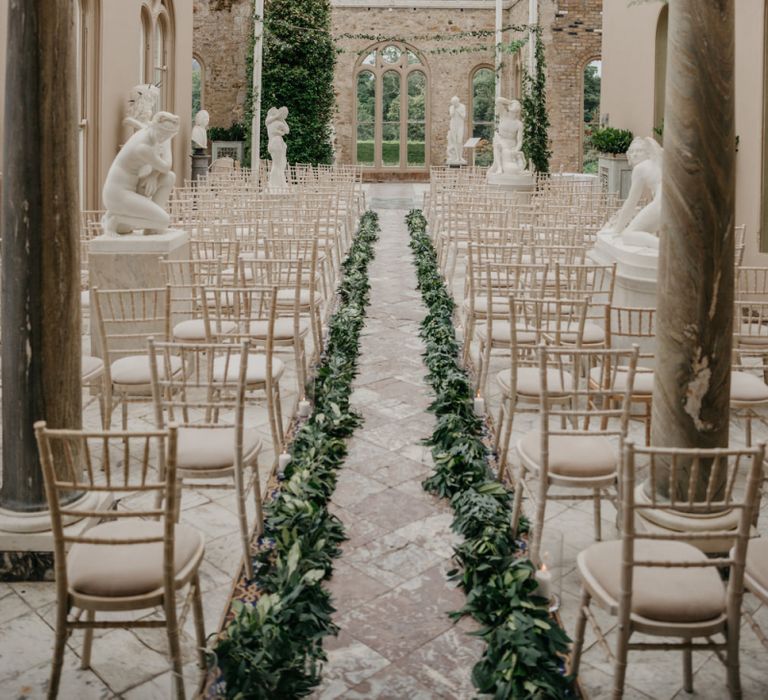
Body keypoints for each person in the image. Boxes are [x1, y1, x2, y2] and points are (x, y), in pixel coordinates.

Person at [102, 111, 180, 235]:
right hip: (117, 195)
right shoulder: (143, 147)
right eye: (162, 133)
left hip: (132, 188)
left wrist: (153, 176)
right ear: (155, 126)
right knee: (164, 221)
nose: (162, 138)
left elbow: (165, 171)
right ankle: (115, 219)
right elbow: (166, 166)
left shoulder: (148, 132)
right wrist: (168, 142)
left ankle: (151, 228)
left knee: (169, 177)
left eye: (167, 136)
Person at [608, 136, 663, 246]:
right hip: (673, 202)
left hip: (662, 204)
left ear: (648, 153)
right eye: (632, 152)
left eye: (639, 151)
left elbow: (631, 202)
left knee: (628, 235)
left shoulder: (641, 168)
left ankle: (666, 248)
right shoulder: (658, 164)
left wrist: (617, 231)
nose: (634, 154)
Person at [488, 97, 526, 175]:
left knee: (515, 163)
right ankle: (499, 167)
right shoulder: (503, 115)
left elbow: (519, 141)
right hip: (501, 141)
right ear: (509, 110)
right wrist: (511, 102)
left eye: (516, 112)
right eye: (513, 112)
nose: (515, 114)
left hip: (512, 144)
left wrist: (516, 150)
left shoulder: (519, 124)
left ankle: (512, 167)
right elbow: (498, 100)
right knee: (497, 144)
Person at [266, 106, 290, 191]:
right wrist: (280, 119)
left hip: (273, 144)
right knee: (279, 164)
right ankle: (277, 183)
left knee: (278, 164)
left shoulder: (270, 123)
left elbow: (286, 131)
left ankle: (276, 182)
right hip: (277, 143)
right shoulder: (278, 123)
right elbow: (287, 130)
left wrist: (279, 118)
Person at [446, 96, 467, 165]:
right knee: (454, 141)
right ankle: (456, 157)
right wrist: (453, 109)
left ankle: (460, 157)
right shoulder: (451, 107)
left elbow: (464, 116)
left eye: (455, 102)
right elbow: (451, 115)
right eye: (453, 103)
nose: (454, 104)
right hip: (453, 125)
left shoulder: (462, 106)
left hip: (460, 126)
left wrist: (458, 111)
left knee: (459, 141)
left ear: (458, 101)